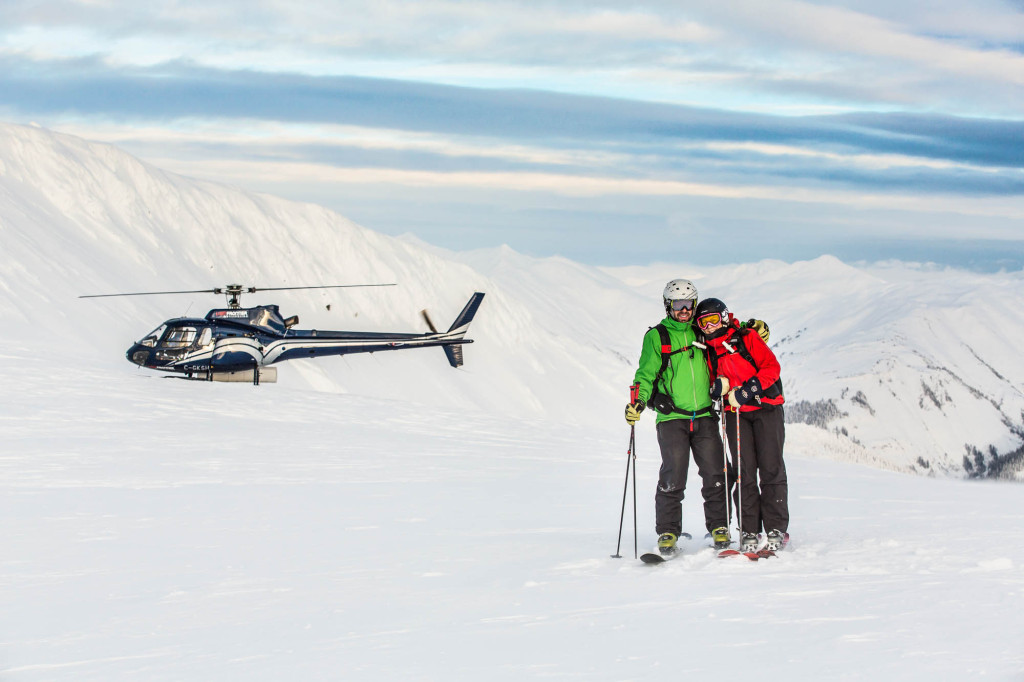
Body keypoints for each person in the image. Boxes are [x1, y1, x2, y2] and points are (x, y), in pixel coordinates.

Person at [625, 280, 731, 555]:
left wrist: (754, 327)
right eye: (678, 305)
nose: (684, 310)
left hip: (706, 414)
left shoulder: (703, 329)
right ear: (668, 306)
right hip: (672, 418)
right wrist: (640, 400)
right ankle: (668, 532)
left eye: (688, 305)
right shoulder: (657, 336)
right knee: (674, 475)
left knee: (715, 473)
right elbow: (645, 374)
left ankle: (719, 526)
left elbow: (729, 328)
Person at [693, 297, 789, 552]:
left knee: (771, 467)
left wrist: (747, 390)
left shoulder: (746, 337)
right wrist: (720, 387)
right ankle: (749, 528)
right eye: (703, 323)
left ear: (724, 317)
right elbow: (715, 378)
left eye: (713, 320)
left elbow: (771, 368)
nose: (709, 327)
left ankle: (776, 527)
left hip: (766, 408)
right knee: (743, 471)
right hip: (735, 413)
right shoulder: (709, 349)